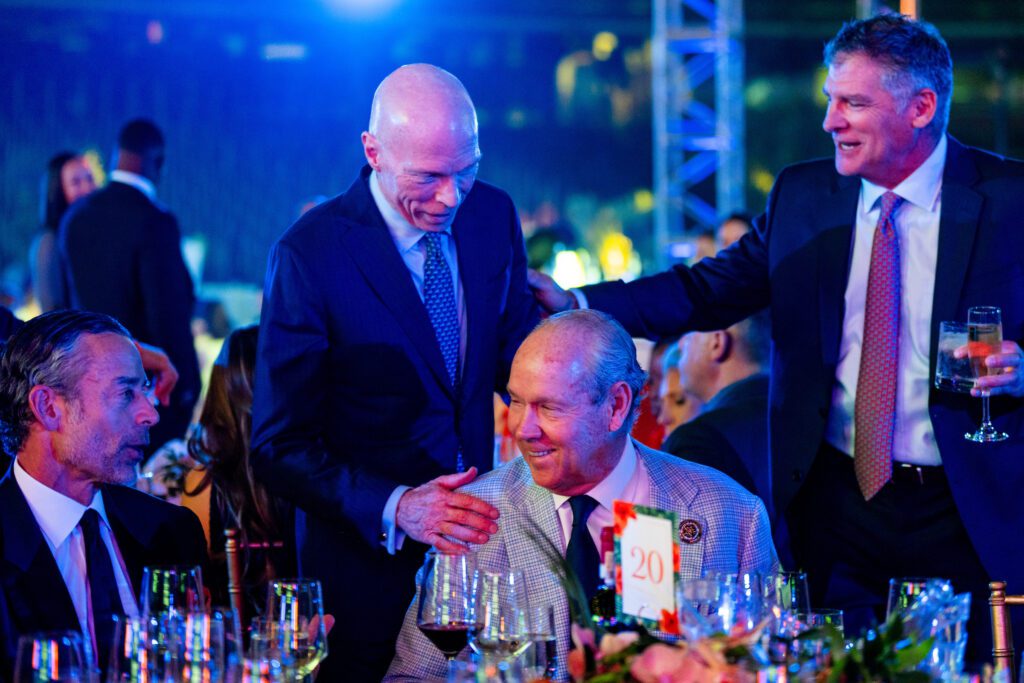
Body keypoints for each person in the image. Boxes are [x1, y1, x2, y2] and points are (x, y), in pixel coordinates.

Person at [531, 14, 1024, 655]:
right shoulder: (804, 195)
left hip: (969, 507)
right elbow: (705, 289)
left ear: (922, 107)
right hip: (834, 505)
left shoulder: (1010, 200)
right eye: (829, 99)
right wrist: (577, 300)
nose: (830, 120)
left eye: (853, 102)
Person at [251, 64, 539, 680]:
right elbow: (278, 446)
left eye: (467, 170)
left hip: (479, 560)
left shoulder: (492, 215)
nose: (451, 198)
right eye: (429, 177)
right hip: (364, 572)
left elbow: (516, 359)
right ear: (373, 151)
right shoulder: (311, 254)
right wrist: (398, 505)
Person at [385, 310, 778, 681]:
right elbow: (415, 676)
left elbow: (771, 667)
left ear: (617, 406)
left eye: (549, 407)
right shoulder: (471, 515)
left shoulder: (732, 514)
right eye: (517, 401)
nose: (523, 429)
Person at [0, 310, 207, 679]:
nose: (150, 415)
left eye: (146, 390)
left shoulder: (173, 532)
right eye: (126, 393)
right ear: (48, 408)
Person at [58, 118, 201, 453]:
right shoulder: (155, 221)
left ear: (115, 156)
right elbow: (168, 315)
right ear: (158, 162)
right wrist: (186, 390)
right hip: (145, 395)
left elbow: (66, 307)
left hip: (84, 390)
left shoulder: (75, 218)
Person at [180, 325, 296, 614]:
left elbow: (195, 595)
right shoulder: (315, 479)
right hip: (319, 637)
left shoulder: (201, 486)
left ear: (220, 395)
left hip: (235, 648)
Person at [662, 311, 787, 562]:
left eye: (690, 331)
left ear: (717, 342)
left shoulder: (696, 441)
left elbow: (682, 565)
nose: (681, 343)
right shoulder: (819, 423)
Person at [31, 152, 97, 312]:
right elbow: (52, 311)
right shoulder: (49, 241)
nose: (87, 188)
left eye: (89, 178)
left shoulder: (92, 235)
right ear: (57, 191)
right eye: (75, 182)